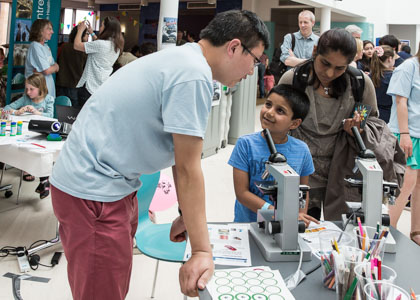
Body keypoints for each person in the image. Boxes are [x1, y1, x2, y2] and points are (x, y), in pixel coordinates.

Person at [49, 10, 269, 300]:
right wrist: (202, 251)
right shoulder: (193, 75)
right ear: (234, 47)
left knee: (111, 282)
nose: (253, 71)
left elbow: (181, 159)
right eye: (255, 60)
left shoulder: (185, 60)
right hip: (94, 193)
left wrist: (186, 217)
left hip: (107, 186)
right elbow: (189, 169)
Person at [279, 28, 404, 220]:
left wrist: (357, 127)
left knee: (338, 236)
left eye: (340, 68)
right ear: (315, 52)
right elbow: (276, 120)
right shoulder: (294, 80)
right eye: (325, 63)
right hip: (300, 172)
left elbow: (371, 121)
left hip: (343, 174)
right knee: (299, 233)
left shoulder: (360, 83)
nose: (329, 73)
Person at [228, 84, 319, 227]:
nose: (269, 112)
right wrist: (273, 212)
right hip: (248, 225)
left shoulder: (302, 150)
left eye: (280, 111)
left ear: (294, 123)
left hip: (284, 226)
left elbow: (303, 190)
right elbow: (242, 193)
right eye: (268, 104)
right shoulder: (245, 144)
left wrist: (301, 214)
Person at [387, 44, 420, 246]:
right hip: (407, 134)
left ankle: (416, 231)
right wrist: (405, 134)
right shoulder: (408, 66)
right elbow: (400, 102)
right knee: (406, 185)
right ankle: (390, 230)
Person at [4, 73, 53, 198]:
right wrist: (17, 111)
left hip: (41, 134)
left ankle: (44, 179)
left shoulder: (48, 99)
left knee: (41, 149)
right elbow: (7, 108)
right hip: (27, 133)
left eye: (31, 89)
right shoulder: (25, 99)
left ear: (40, 88)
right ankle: (41, 178)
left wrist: (37, 112)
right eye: (27, 89)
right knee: (28, 148)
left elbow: (51, 116)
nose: (28, 92)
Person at [74, 17, 124, 107]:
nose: (100, 28)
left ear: (107, 29)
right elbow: (99, 46)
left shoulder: (101, 44)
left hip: (89, 86)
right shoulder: (116, 46)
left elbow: (77, 45)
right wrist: (92, 33)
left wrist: (80, 30)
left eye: (101, 25)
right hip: (101, 86)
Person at [25, 19, 59, 98]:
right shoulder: (35, 46)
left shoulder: (46, 47)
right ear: (40, 31)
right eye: (49, 29)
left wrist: (52, 68)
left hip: (46, 92)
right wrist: (52, 68)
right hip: (37, 93)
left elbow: (55, 67)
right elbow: (47, 70)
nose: (52, 32)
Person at [56, 26, 88, 107]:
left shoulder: (64, 47)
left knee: (61, 110)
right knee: (73, 113)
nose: (88, 37)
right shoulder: (84, 49)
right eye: (87, 34)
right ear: (81, 35)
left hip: (61, 83)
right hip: (75, 84)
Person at [370, 45, 395, 123]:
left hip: (372, 115)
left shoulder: (369, 76)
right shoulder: (393, 77)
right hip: (389, 115)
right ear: (390, 59)